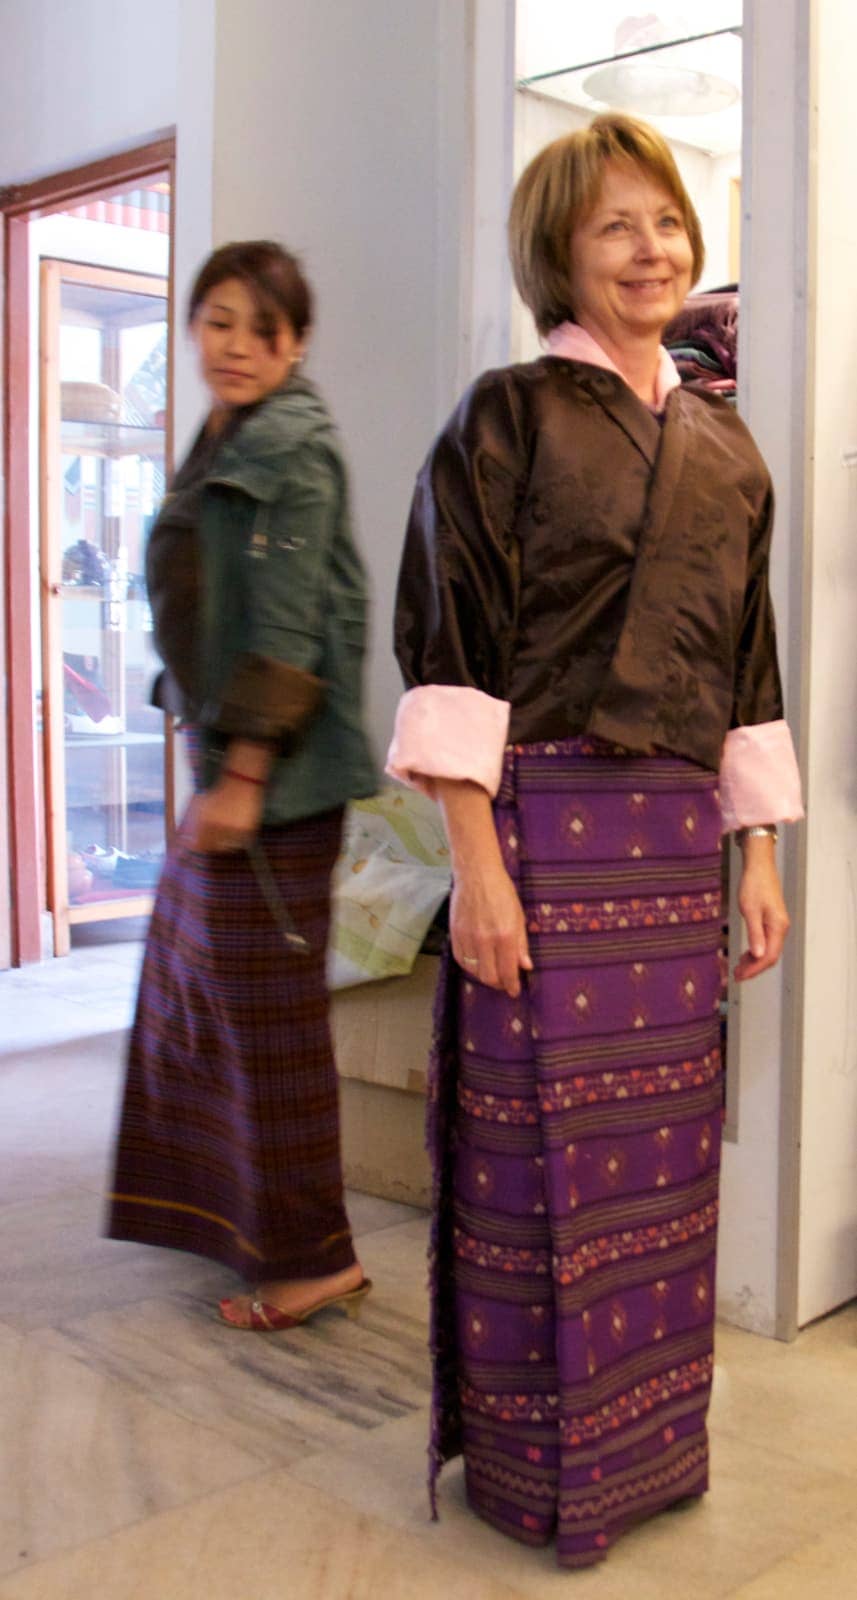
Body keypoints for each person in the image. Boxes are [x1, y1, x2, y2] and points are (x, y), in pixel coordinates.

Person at [387, 115, 803, 1569]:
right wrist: (475, 857)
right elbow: (450, 637)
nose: (653, 250)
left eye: (669, 223)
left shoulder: (726, 444)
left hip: (673, 845)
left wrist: (755, 856)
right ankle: (537, 1477)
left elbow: (744, 654)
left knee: (659, 1172)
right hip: (542, 834)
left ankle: (652, 1453)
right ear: (559, 251)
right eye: (616, 226)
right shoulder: (504, 415)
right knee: (530, 1168)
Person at [107, 240, 377, 1331]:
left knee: (267, 1022)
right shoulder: (229, 432)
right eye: (216, 319)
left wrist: (245, 778)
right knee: (200, 1003)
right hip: (231, 765)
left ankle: (313, 1257)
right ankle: (243, 1224)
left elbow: (286, 624)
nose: (234, 344)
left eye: (259, 326)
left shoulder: (293, 447)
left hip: (279, 780)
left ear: (295, 340)